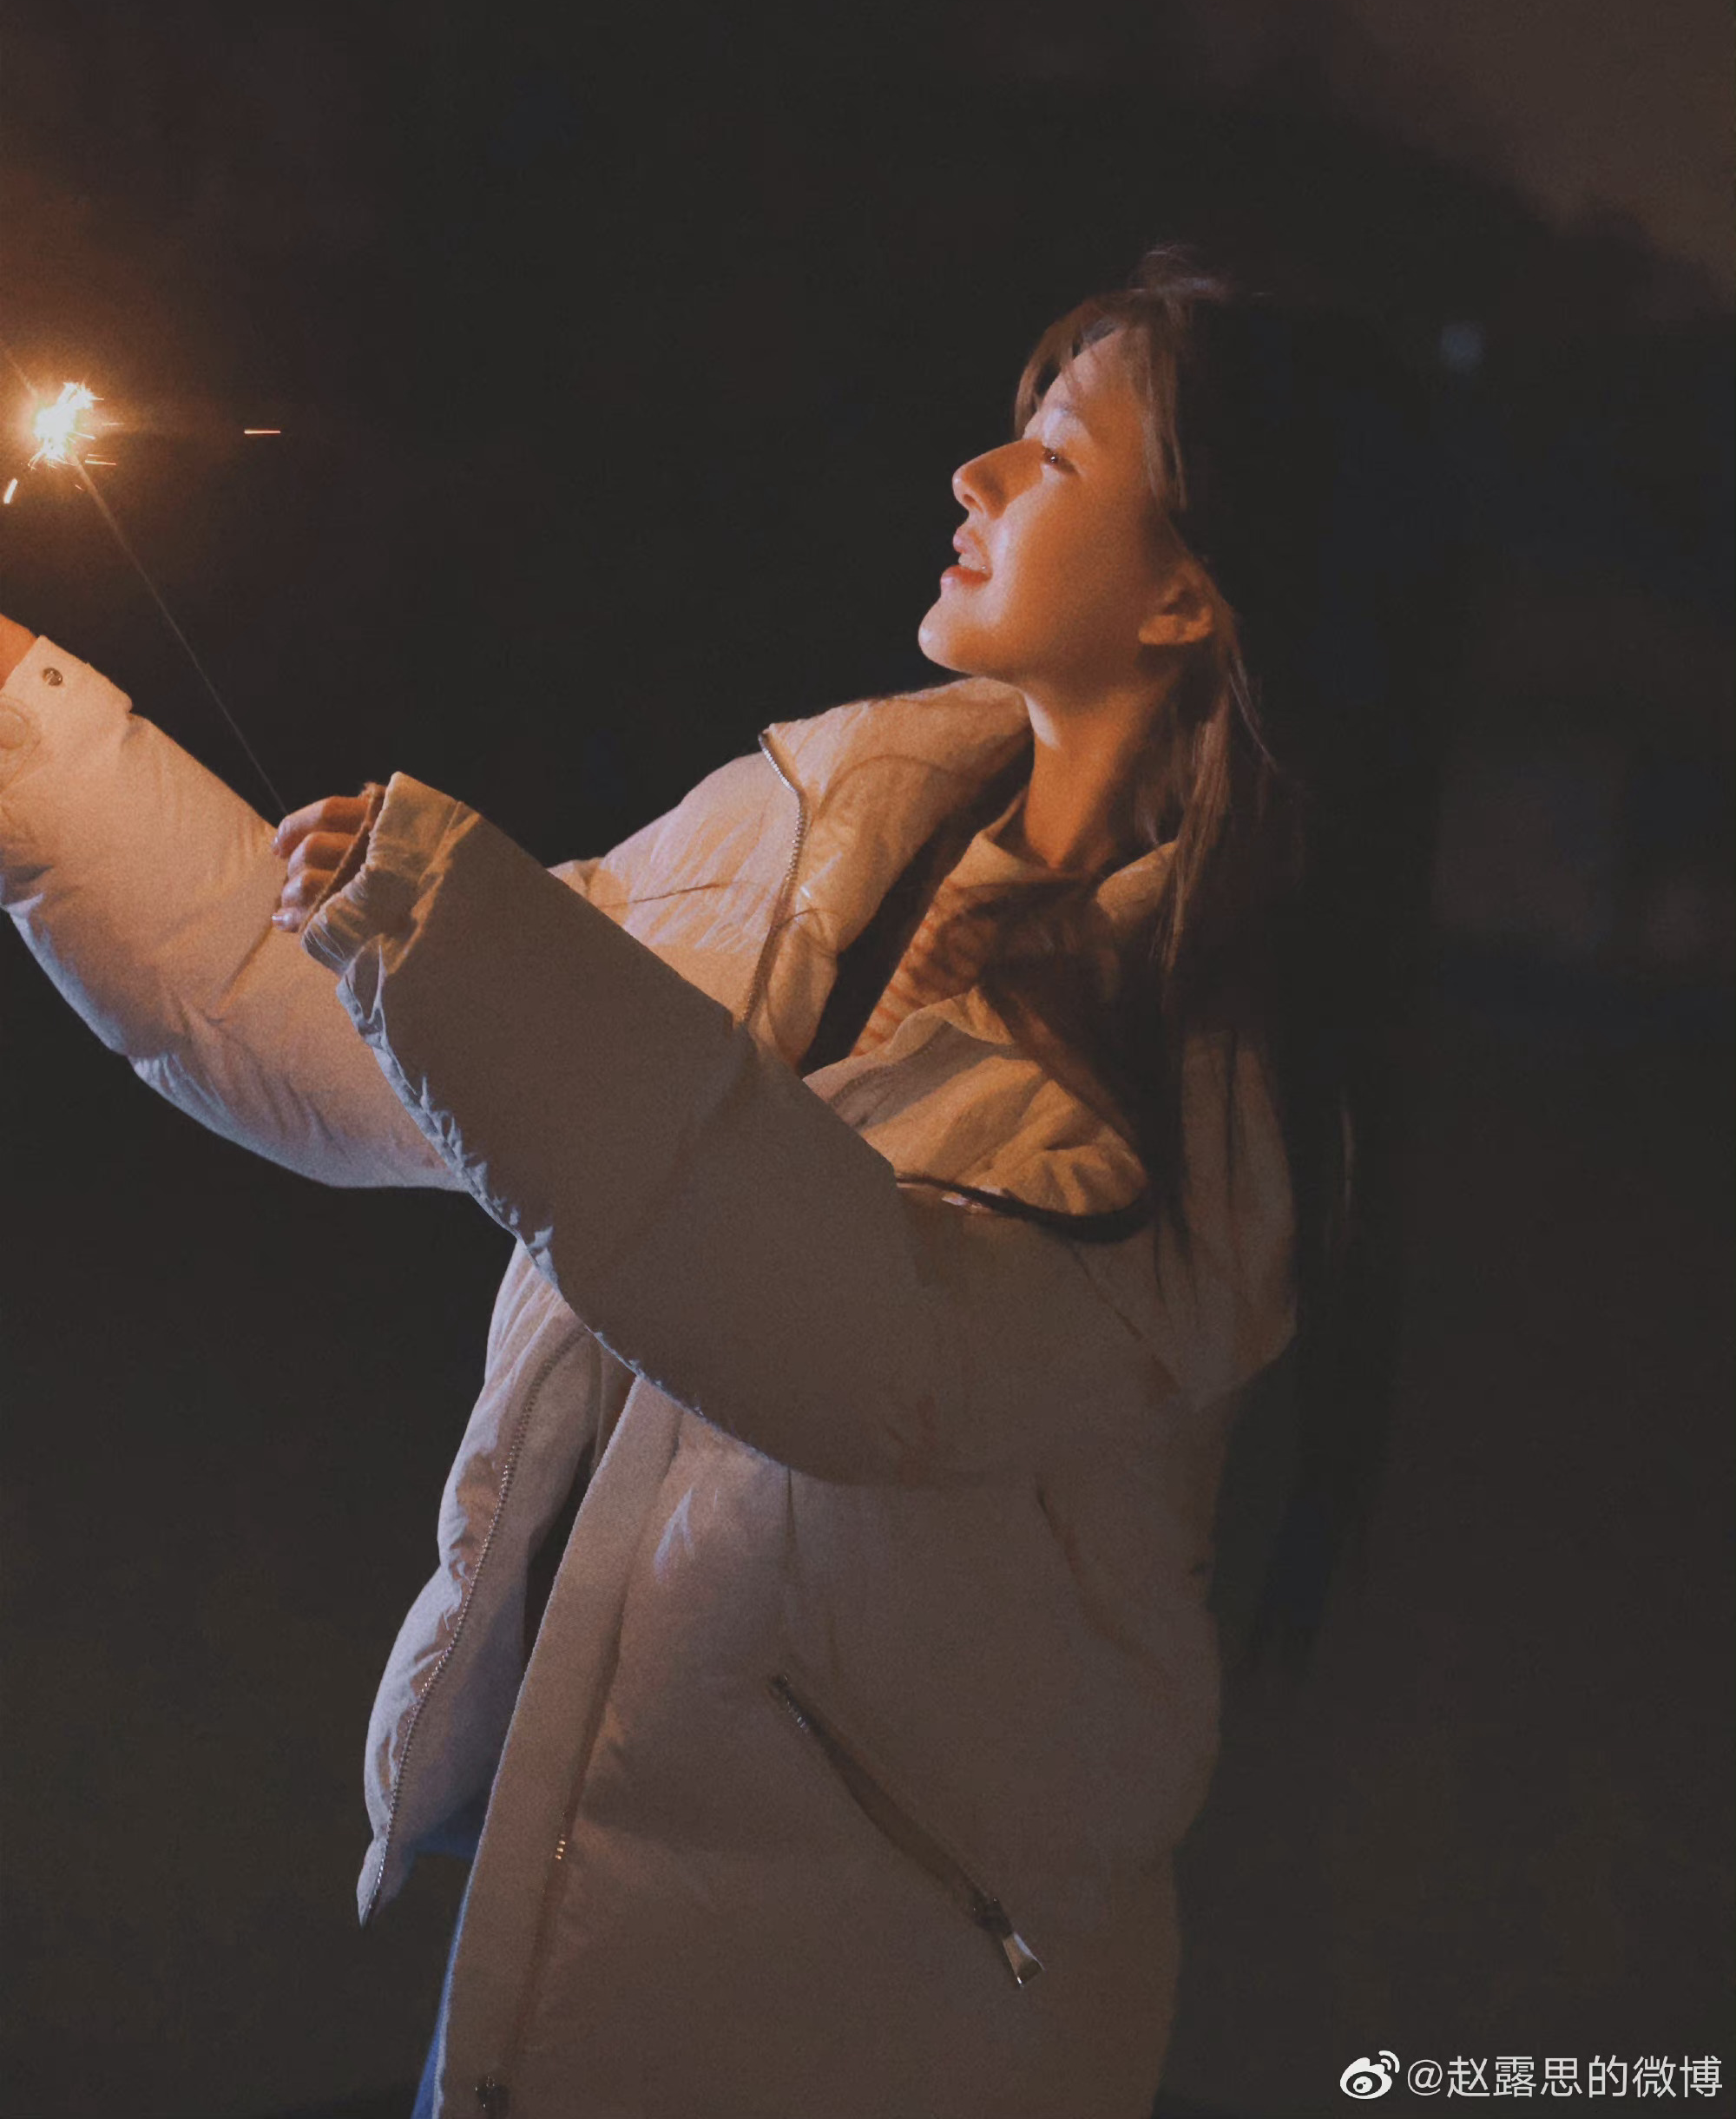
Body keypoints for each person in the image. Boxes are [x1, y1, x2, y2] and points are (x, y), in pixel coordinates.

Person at [0, 243, 1425, 2119]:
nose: (973, 482)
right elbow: (362, 1044)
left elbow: (874, 1343)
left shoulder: (1224, 1093)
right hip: (565, 1938)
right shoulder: (807, 826)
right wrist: (23, 719)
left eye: (1054, 459)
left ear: (1187, 594)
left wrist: (457, 944)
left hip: (899, 2016)